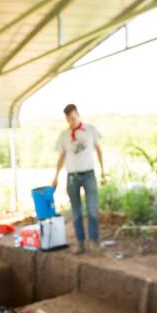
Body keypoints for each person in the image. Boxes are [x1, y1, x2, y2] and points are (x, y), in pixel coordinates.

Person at [52, 103, 104, 253]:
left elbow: (99, 149)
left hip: (89, 174)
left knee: (92, 208)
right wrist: (56, 176)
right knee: (76, 210)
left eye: (73, 118)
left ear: (78, 115)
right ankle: (80, 243)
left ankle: (94, 241)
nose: (71, 122)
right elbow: (61, 157)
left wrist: (102, 170)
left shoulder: (90, 130)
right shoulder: (64, 136)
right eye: (68, 120)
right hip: (72, 177)